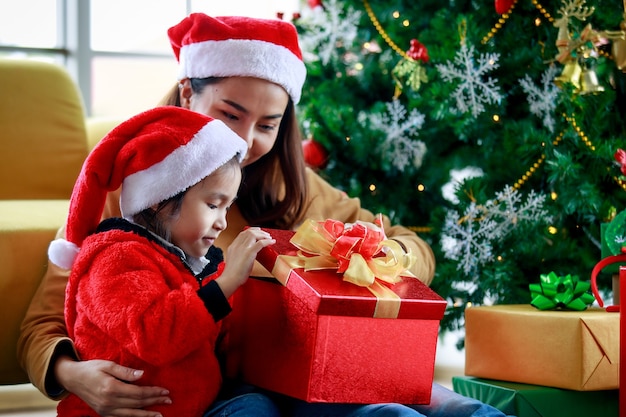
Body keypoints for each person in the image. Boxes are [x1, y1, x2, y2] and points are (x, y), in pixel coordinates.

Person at [18, 13, 512, 417]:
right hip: (220, 396)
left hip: (310, 375)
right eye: (230, 114)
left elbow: (411, 248)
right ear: (189, 93)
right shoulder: (128, 194)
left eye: (267, 124)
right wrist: (74, 375)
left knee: (443, 406)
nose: (246, 140)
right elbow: (42, 325)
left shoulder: (292, 188)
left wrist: (376, 254)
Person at [49, 106, 278, 416]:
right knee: (254, 409)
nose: (222, 223)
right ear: (159, 199)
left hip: (192, 404)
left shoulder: (187, 258)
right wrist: (225, 285)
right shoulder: (116, 258)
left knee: (264, 400)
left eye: (227, 208)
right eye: (213, 205)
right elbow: (155, 336)